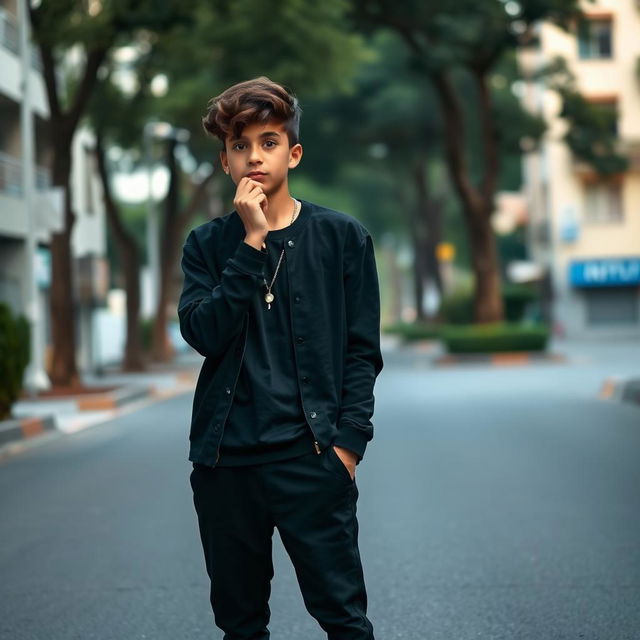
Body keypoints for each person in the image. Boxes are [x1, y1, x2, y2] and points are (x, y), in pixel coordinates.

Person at [178, 75, 384, 640]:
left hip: (313, 459)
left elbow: (361, 352)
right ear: (224, 161)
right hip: (226, 466)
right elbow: (204, 333)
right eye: (239, 146)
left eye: (268, 142)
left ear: (292, 153)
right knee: (241, 626)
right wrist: (251, 242)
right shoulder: (207, 244)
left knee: (344, 620)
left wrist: (348, 446)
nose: (254, 157)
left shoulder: (342, 238)